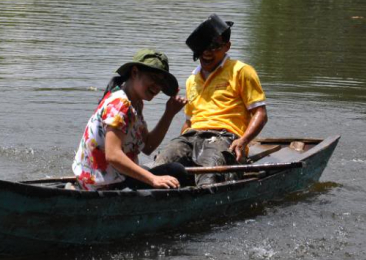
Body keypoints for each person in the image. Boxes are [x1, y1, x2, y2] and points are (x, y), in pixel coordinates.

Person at [154, 14, 268, 186]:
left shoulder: (241, 71)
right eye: (203, 47)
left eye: (214, 46)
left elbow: (260, 113)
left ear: (227, 47)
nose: (207, 52)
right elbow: (189, 122)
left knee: (209, 176)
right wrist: (180, 141)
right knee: (161, 165)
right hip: (192, 136)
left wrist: (242, 141)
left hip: (224, 137)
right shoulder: (192, 79)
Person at [72, 49, 192, 191]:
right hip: (103, 187)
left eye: (161, 82)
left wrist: (169, 113)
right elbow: (113, 155)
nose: (157, 87)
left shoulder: (135, 103)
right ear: (134, 73)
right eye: (153, 78)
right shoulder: (120, 104)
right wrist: (153, 179)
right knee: (177, 172)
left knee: (173, 170)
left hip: (115, 178)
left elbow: (148, 146)